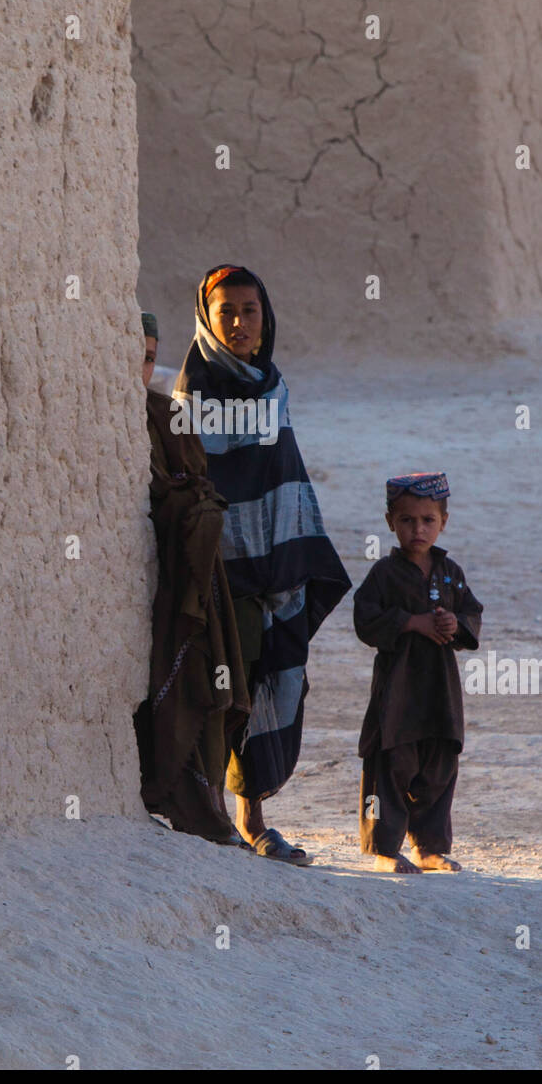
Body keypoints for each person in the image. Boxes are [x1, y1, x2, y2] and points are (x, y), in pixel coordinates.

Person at [173, 266, 351, 863]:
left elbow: (284, 473)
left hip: (273, 566)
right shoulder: (193, 391)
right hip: (222, 571)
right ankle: (224, 815)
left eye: (251, 311)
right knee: (228, 686)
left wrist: (294, 550)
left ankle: (251, 816)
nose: (241, 323)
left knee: (270, 675)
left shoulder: (273, 387)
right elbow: (187, 483)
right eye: (227, 311)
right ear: (207, 315)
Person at [134, 311, 251, 844]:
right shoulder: (108, 420)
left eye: (149, 358)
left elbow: (195, 479)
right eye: (131, 354)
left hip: (191, 572)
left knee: (205, 681)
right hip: (155, 579)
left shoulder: (166, 413)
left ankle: (210, 810)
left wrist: (192, 502)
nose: (139, 367)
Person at [353, 472, 483, 873]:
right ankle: (385, 850)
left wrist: (453, 626)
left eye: (428, 520)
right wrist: (412, 623)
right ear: (391, 521)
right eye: (407, 520)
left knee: (438, 766)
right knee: (392, 764)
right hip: (397, 691)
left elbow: (471, 614)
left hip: (440, 691)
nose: (418, 529)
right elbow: (365, 619)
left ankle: (429, 847)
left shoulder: (450, 572)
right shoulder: (384, 574)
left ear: (444, 521)